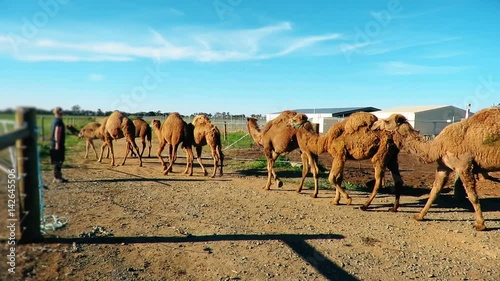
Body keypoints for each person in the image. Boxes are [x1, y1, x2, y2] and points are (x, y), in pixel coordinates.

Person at [50, 107, 68, 183]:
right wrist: (57, 143)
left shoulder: (55, 120)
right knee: (59, 160)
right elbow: (57, 132)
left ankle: (57, 176)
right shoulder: (59, 121)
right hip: (57, 144)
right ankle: (57, 177)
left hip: (54, 143)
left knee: (57, 160)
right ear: (60, 113)